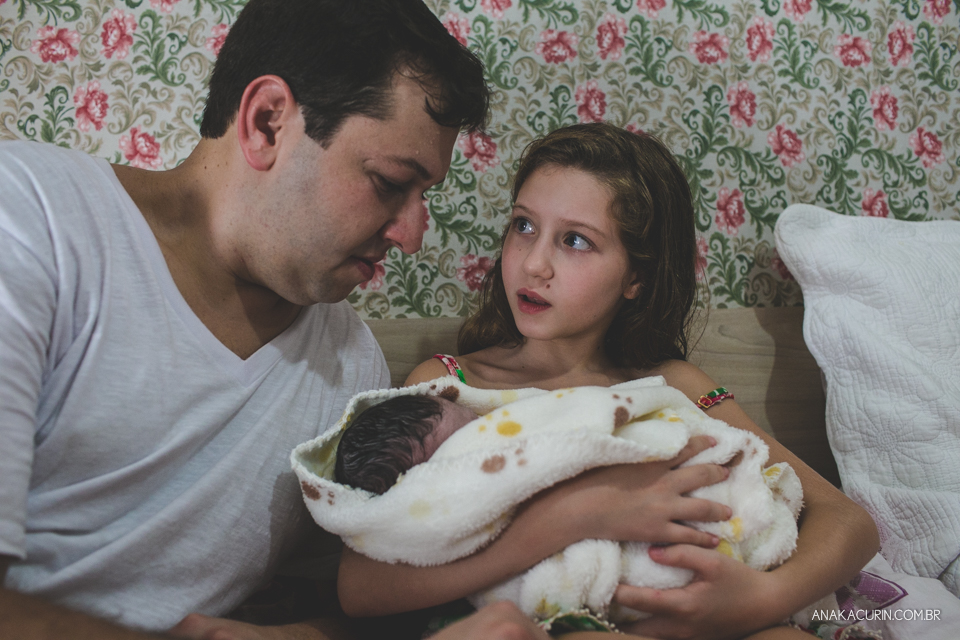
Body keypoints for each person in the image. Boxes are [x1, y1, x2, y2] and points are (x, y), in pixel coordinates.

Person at [0, 0, 510, 638]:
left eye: (423, 197)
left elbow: (369, 593)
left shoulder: (351, 365)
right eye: (388, 182)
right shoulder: (29, 222)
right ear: (267, 123)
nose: (412, 235)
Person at [336, 123, 880, 639]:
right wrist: (574, 516)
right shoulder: (450, 390)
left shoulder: (671, 383)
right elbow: (361, 587)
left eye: (575, 241)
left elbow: (847, 520)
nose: (533, 264)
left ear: (636, 278)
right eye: (524, 226)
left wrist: (760, 600)